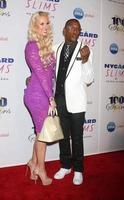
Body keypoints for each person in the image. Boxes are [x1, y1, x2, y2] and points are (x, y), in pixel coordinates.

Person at [54, 19, 94, 185]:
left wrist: (85, 61)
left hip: (77, 102)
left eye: (78, 29)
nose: (75, 31)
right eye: (72, 28)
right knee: (63, 136)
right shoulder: (56, 48)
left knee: (77, 138)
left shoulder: (85, 50)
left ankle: (78, 169)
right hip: (59, 100)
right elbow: (49, 71)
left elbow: (89, 78)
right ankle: (65, 165)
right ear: (64, 30)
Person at [24, 11, 56, 186]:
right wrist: (51, 97)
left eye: (47, 23)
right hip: (37, 95)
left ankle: (33, 163)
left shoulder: (46, 45)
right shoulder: (31, 46)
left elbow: (51, 74)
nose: (45, 27)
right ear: (34, 26)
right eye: (41, 24)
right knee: (42, 135)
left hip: (43, 92)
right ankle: (41, 169)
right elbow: (42, 75)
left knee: (39, 132)